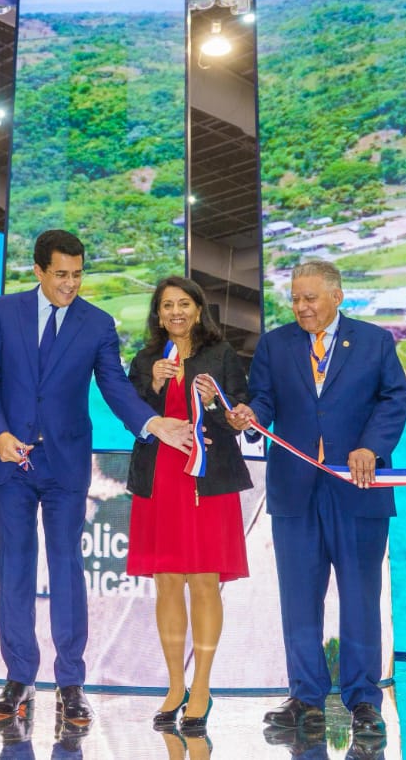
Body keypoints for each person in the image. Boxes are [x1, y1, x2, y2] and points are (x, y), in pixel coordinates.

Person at [0, 229, 193, 728]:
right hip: (11, 461)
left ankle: (71, 683)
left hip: (65, 463)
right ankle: (18, 677)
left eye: (77, 274)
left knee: (67, 568)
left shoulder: (97, 323)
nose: (70, 284)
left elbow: (113, 385)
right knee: (14, 567)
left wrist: (151, 422)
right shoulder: (4, 312)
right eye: (60, 275)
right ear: (38, 271)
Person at [230, 260, 406, 739]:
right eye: (295, 298)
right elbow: (264, 400)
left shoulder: (374, 341)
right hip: (295, 490)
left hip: (358, 489)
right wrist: (250, 415)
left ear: (337, 296)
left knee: (360, 598)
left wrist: (372, 447)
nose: (301, 307)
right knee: (298, 599)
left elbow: (394, 399)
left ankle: (364, 701)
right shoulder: (275, 344)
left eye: (310, 298)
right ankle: (305, 697)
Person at [125, 276, 251, 734]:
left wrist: (217, 404)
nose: (175, 312)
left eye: (183, 304)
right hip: (160, 480)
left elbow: (240, 417)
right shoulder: (145, 360)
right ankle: (175, 684)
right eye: (166, 305)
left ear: (198, 309)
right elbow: (131, 416)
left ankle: (202, 686)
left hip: (207, 481)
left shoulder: (221, 355)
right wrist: (153, 387)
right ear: (158, 315)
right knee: (166, 583)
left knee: (203, 581)